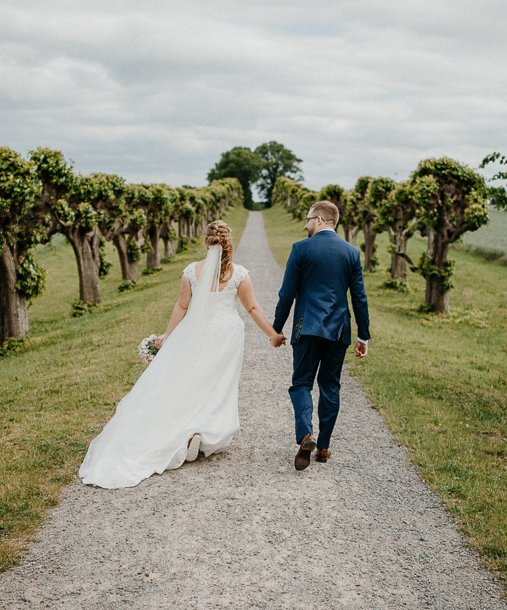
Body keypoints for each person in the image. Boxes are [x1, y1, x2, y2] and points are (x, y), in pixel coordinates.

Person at [79, 221, 285, 489]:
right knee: (218, 384)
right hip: (226, 335)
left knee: (190, 380)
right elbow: (253, 307)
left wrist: (167, 335)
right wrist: (271, 334)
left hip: (197, 333)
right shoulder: (239, 274)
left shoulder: (191, 272)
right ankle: (204, 431)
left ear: (206, 242)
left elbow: (182, 306)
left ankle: (188, 429)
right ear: (228, 242)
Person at [272, 201, 370, 470]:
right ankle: (324, 446)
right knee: (330, 386)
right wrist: (364, 336)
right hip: (338, 330)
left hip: (306, 328)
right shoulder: (351, 253)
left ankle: (306, 434)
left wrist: (276, 327)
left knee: (302, 383)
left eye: (307, 220)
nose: (305, 226)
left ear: (319, 219)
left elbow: (287, 293)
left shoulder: (301, 248)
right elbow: (359, 298)